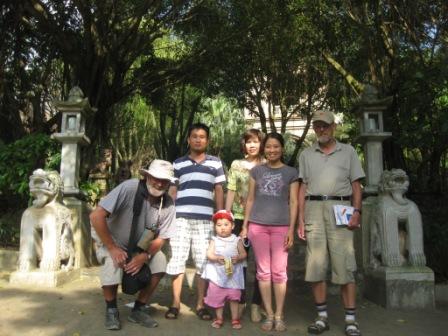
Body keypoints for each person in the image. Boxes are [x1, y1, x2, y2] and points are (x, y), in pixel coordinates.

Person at [297, 110, 365, 336]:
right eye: (317, 126)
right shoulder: (306, 154)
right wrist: (300, 218)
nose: (321, 130)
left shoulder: (348, 152)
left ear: (333, 127)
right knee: (315, 265)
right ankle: (322, 317)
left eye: (325, 126)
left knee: (345, 264)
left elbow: (356, 186)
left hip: (341, 208)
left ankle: (351, 319)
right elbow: (303, 188)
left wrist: (357, 211)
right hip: (313, 209)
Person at [90, 159, 178, 330]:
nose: (159, 183)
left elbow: (162, 238)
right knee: (113, 261)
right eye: (156, 178)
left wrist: (144, 256)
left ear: (169, 183)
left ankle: (138, 308)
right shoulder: (129, 187)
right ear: (147, 176)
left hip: (141, 247)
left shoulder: (168, 204)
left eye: (164, 180)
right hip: (112, 239)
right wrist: (112, 248)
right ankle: (111, 309)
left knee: (160, 261)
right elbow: (96, 216)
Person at [165, 122, 226, 321]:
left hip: (205, 220)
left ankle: (201, 305)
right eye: (194, 136)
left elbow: (218, 190)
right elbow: (173, 191)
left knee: (203, 262)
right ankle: (175, 303)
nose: (198, 139)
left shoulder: (215, 163)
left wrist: (221, 216)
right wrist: (167, 216)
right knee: (177, 260)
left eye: (202, 136)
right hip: (180, 219)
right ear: (189, 139)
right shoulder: (177, 163)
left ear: (207, 140)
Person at [241, 132, 299, 332]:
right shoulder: (256, 171)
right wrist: (245, 226)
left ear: (282, 148)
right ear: (264, 149)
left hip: (281, 227)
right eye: (268, 147)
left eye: (276, 146)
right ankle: (269, 314)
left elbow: (293, 202)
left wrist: (291, 229)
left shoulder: (291, 173)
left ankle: (280, 315)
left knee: (279, 272)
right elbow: (250, 199)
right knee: (263, 272)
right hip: (258, 226)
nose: (272, 150)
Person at [225, 128, 264, 321]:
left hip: (262, 219)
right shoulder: (236, 164)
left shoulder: (266, 164)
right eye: (249, 141)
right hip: (239, 219)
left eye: (256, 141)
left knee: (261, 264)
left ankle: (257, 304)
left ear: (261, 143)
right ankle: (239, 301)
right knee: (240, 261)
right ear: (244, 145)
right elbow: (231, 189)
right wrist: (226, 214)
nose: (252, 145)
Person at [202, 210, 247, 329]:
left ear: (232, 226)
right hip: (218, 275)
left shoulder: (236, 240)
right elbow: (209, 254)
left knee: (234, 297)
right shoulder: (214, 240)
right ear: (215, 227)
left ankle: (235, 319)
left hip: (233, 276)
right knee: (218, 297)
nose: (222, 228)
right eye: (219, 225)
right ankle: (219, 318)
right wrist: (216, 258)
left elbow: (243, 254)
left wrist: (239, 258)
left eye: (226, 225)